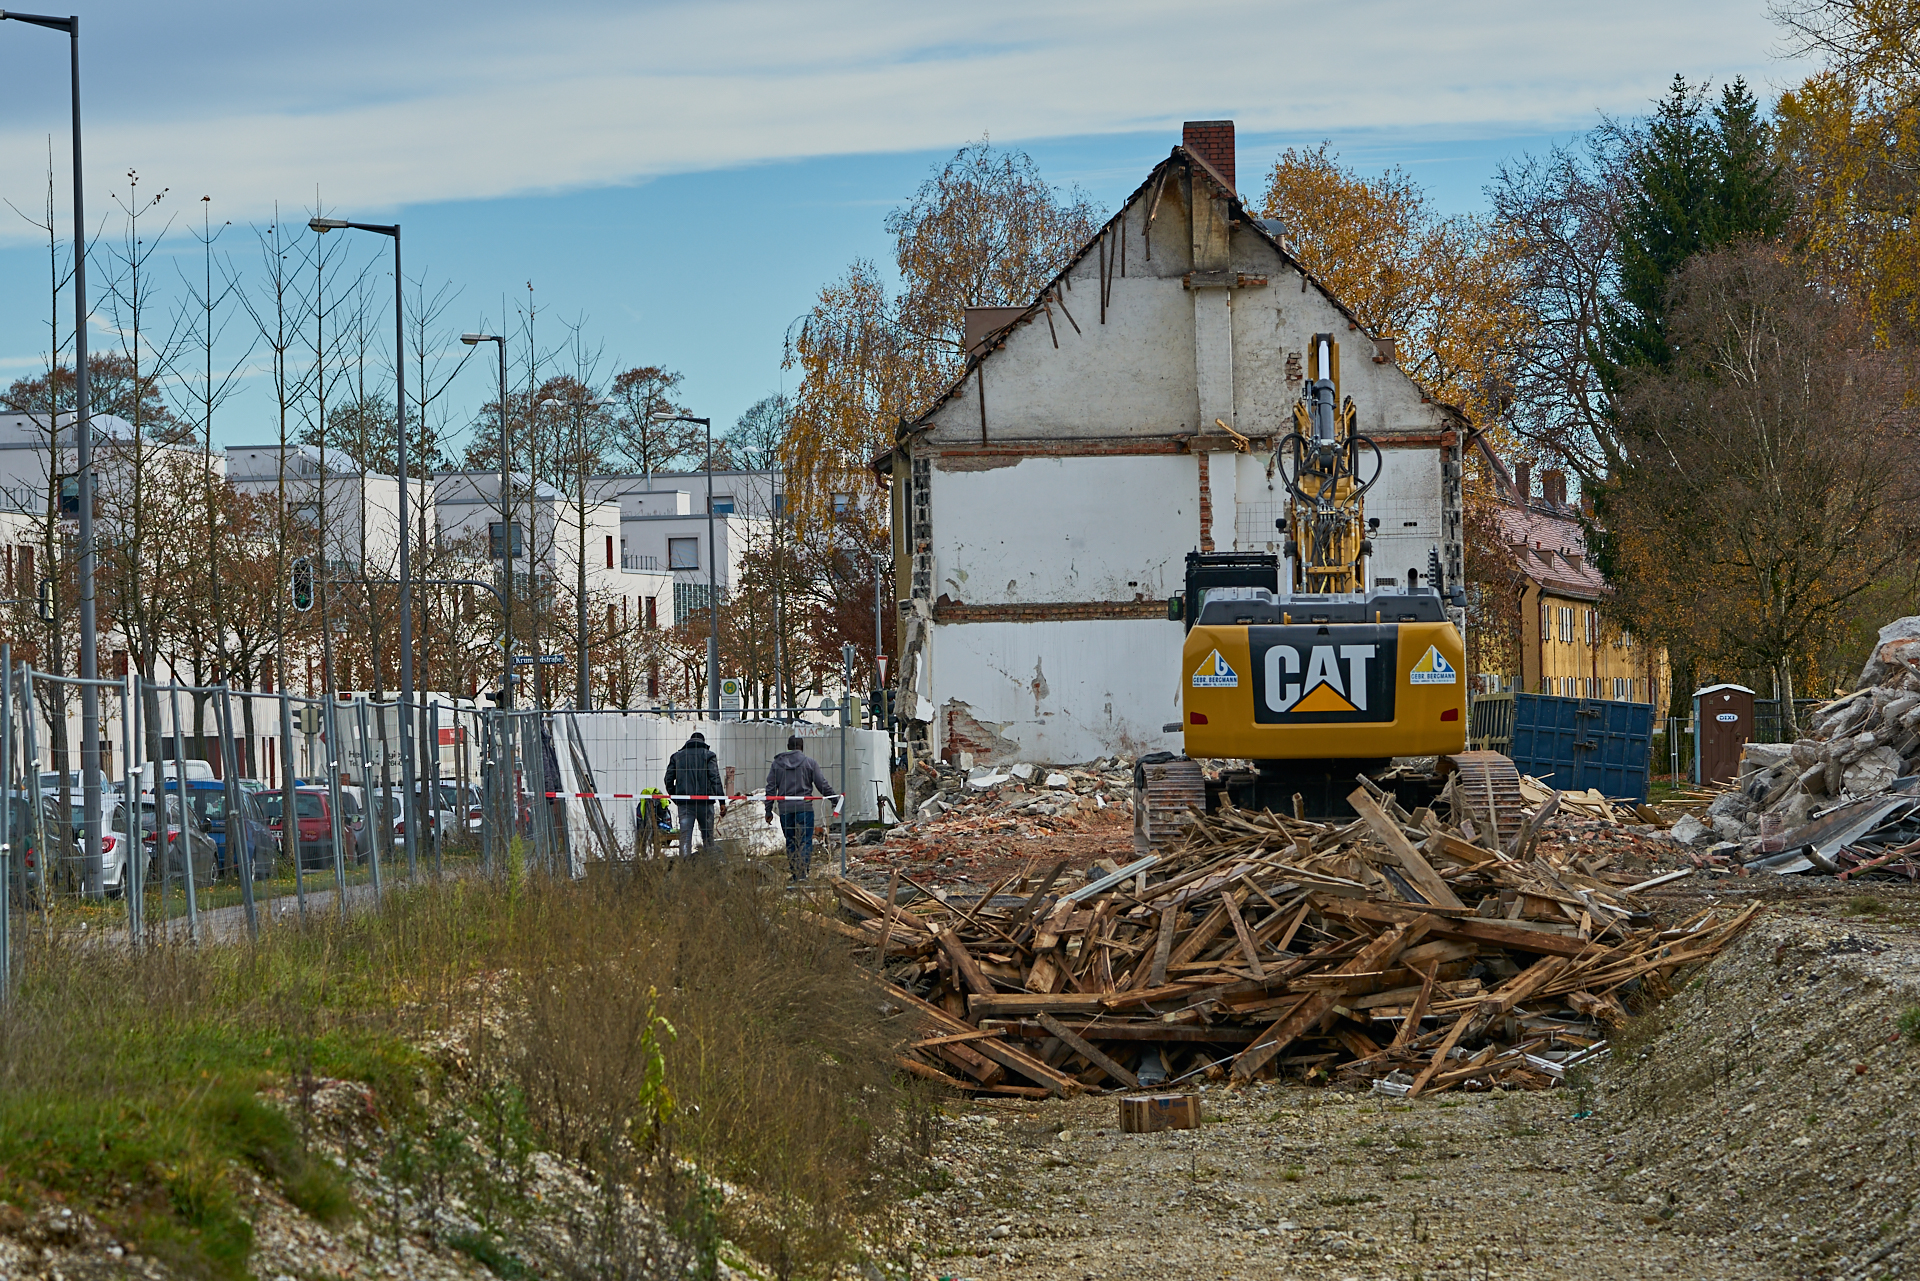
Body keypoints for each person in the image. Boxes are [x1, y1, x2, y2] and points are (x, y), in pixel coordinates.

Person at [764, 736, 838, 882]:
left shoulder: (777, 764)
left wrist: (768, 810)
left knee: (791, 840)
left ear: (788, 746)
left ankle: (796, 873)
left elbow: (771, 787)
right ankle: (803, 873)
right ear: (802, 747)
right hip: (804, 808)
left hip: (785, 809)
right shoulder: (810, 763)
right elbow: (821, 784)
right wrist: (834, 799)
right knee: (804, 840)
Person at [664, 731, 725, 859]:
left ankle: (684, 867)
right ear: (703, 742)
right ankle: (710, 865)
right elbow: (715, 778)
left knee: (685, 837)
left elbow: (668, 780)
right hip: (705, 803)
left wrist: (676, 796)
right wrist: (722, 801)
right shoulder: (709, 756)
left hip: (685, 804)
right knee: (708, 837)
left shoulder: (677, 757)